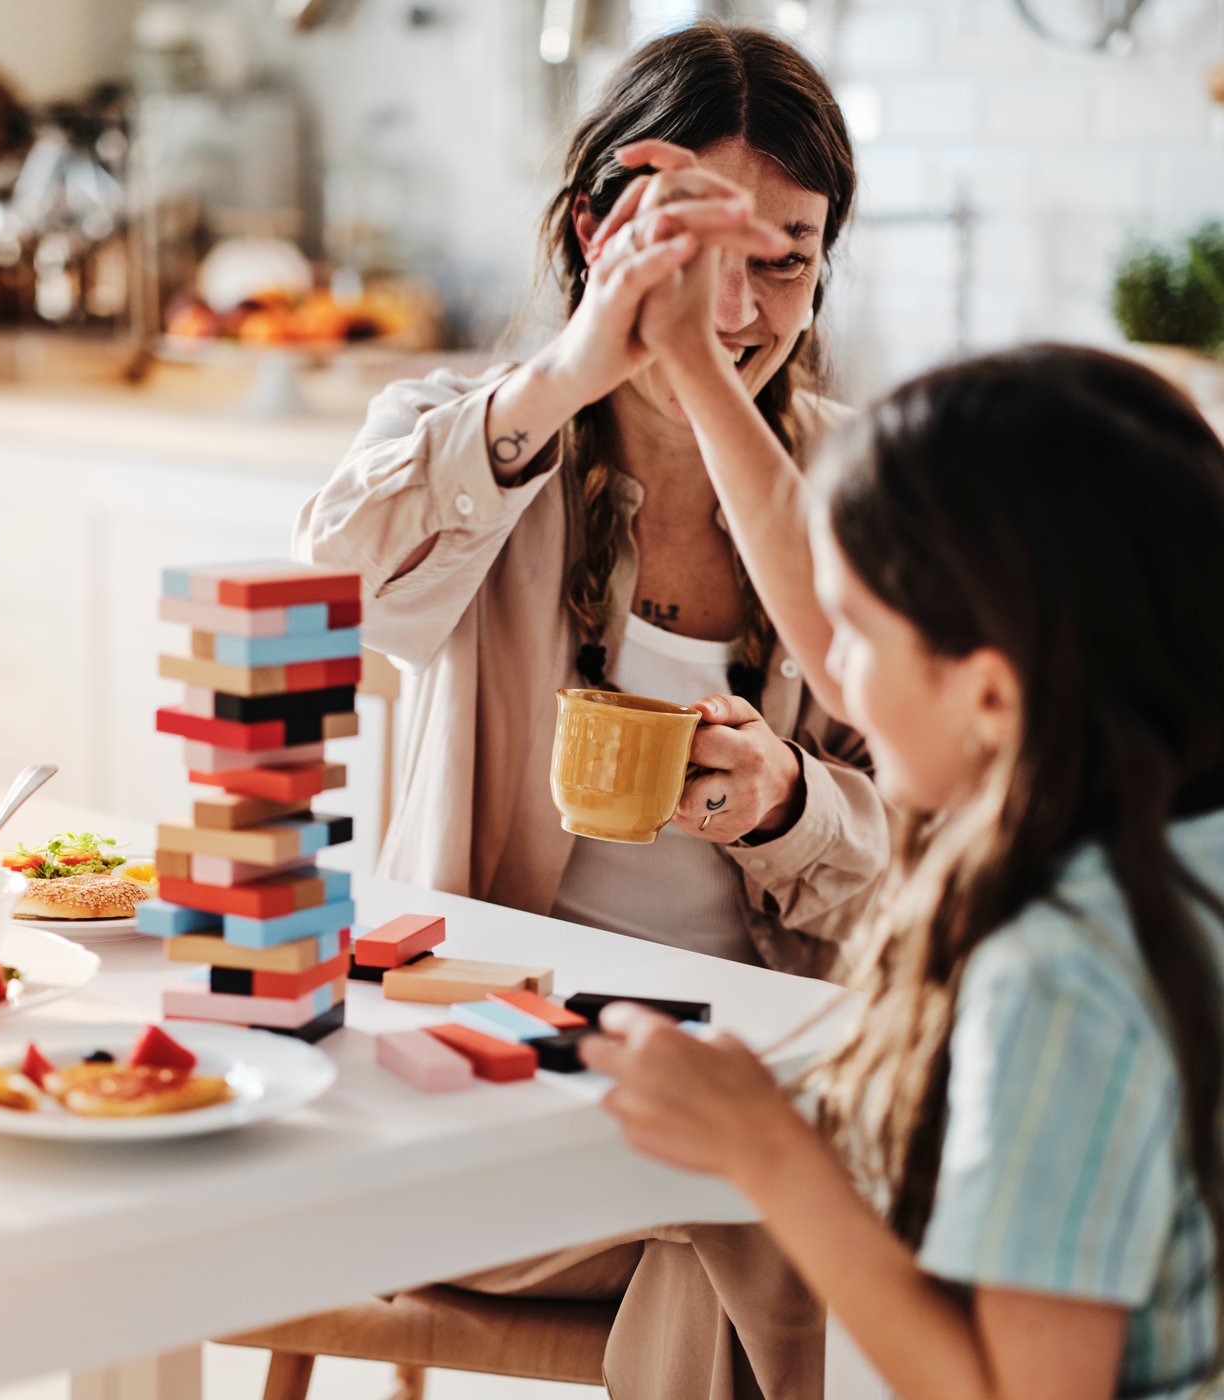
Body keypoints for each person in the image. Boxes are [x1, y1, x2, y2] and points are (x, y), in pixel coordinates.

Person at [585, 343, 1224, 1400]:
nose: (833, 675)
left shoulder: (1057, 974)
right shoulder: (1177, 853)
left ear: (986, 695)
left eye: (859, 635)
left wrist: (767, 1153)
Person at [296, 21, 888, 981]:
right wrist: (566, 373)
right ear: (594, 230)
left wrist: (791, 806)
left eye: (784, 260)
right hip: (488, 1007)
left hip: (766, 1031)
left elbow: (942, 852)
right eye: (695, 256)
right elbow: (335, 592)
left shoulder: (866, 480)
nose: (732, 313)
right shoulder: (468, 429)